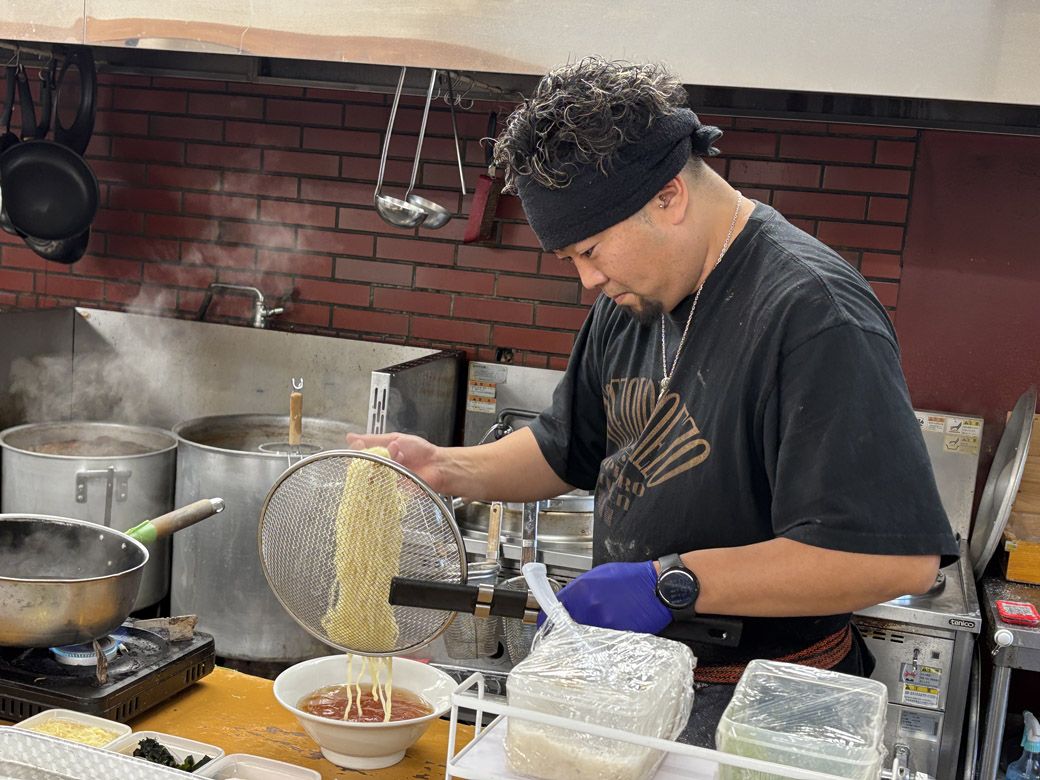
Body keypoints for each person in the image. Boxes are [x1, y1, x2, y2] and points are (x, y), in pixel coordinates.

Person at [349, 57, 958, 747]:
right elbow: (565, 448)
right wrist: (445, 467)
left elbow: (891, 560)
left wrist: (669, 583)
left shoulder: (813, 313)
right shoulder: (631, 300)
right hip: (638, 685)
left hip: (764, 707)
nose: (587, 281)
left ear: (668, 197)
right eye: (571, 260)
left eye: (591, 251)